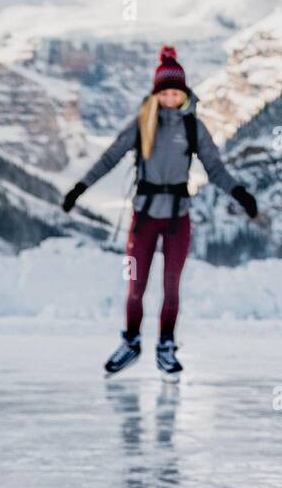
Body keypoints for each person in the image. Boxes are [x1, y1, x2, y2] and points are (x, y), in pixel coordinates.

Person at [62, 45, 258, 377]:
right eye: (165, 93)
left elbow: (215, 168)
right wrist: (80, 188)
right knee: (136, 286)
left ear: (183, 94)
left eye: (175, 93)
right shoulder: (142, 124)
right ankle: (132, 341)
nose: (170, 98)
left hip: (177, 219)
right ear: (157, 94)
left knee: (171, 286)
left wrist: (240, 193)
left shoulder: (194, 128)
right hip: (145, 218)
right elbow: (110, 157)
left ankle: (166, 345)